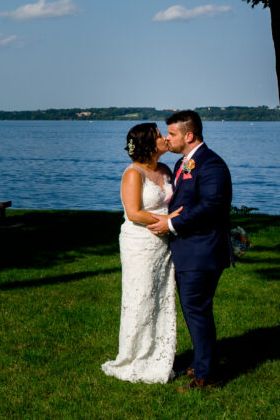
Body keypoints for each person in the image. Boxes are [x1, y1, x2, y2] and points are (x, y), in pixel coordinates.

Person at [147, 109, 233, 391]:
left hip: (202, 251)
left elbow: (212, 207)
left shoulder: (211, 165)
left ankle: (207, 376)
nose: (167, 139)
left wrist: (171, 225)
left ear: (189, 135)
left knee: (197, 310)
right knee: (194, 310)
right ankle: (201, 362)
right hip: (190, 250)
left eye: (172, 133)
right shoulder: (184, 164)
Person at [101, 122, 180, 384]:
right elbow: (133, 212)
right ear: (148, 143)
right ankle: (133, 357)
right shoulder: (133, 174)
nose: (166, 139)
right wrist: (168, 219)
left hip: (162, 245)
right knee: (140, 298)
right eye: (160, 136)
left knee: (161, 298)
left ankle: (160, 356)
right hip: (139, 244)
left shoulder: (166, 169)